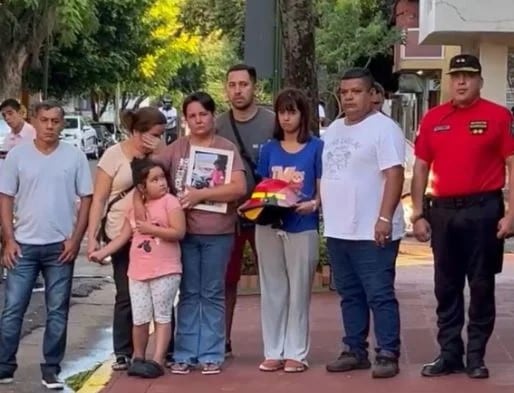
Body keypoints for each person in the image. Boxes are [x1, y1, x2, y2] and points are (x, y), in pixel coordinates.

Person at [411, 54, 514, 379]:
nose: (461, 81)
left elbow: (512, 164)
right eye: (456, 75)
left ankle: (476, 356)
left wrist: (512, 214)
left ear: (479, 81)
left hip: (483, 210)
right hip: (442, 212)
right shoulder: (433, 118)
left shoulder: (498, 116)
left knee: (481, 285)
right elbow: (420, 167)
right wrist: (417, 213)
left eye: (469, 75)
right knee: (446, 285)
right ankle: (449, 353)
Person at [148, 91, 246, 375]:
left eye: (203, 114)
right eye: (192, 115)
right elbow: (150, 171)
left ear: (213, 116)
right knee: (189, 292)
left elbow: (239, 187)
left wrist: (202, 194)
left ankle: (212, 354)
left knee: (213, 292)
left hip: (219, 233)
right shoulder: (176, 148)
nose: (198, 120)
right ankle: (185, 353)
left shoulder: (226, 147)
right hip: (185, 234)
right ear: (185, 119)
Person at [0, 101, 93, 389]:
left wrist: (76, 239)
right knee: (13, 308)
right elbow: (5, 197)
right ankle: (4, 366)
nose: (50, 126)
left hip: (60, 248)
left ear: (62, 124)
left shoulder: (74, 157)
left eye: (55, 121)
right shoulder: (18, 156)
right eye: (44, 120)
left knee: (58, 310)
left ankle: (51, 368)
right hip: (23, 246)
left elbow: (87, 198)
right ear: (35, 122)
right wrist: (8, 240)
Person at [322, 68, 405, 378]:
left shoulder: (385, 129)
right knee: (350, 294)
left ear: (373, 95)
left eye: (356, 92)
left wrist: (384, 218)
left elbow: (394, 174)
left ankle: (387, 352)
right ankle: (355, 349)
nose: (349, 97)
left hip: (373, 230)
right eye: (344, 92)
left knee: (379, 293)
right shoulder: (334, 129)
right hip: (338, 229)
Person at [87, 107, 167, 371]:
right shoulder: (113, 155)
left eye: (162, 135)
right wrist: (92, 238)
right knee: (126, 294)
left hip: (152, 233)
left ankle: (163, 349)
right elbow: (99, 199)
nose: (158, 139)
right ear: (138, 131)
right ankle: (123, 350)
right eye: (155, 134)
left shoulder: (158, 157)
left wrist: (157, 153)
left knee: (160, 294)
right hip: (120, 233)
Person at [90, 158, 185, 378]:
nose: (162, 183)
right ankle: (139, 357)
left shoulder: (170, 202)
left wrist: (152, 228)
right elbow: (122, 238)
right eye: (155, 180)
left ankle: (158, 359)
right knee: (140, 317)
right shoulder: (134, 210)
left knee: (162, 315)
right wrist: (101, 253)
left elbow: (179, 231)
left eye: (163, 178)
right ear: (142, 187)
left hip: (166, 268)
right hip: (138, 271)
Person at [255, 88, 323, 373]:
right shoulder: (269, 148)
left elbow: (322, 190)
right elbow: (261, 188)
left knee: (299, 291)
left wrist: (314, 204)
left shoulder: (316, 147)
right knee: (272, 289)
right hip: (270, 226)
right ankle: (273, 350)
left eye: (292, 111)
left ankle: (296, 352)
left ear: (302, 115)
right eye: (282, 111)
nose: (286, 117)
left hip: (302, 226)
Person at [216, 64, 275, 356]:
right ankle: (222, 342)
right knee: (226, 281)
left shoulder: (273, 122)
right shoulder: (216, 125)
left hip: (266, 214)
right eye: (232, 85)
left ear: (255, 87)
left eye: (243, 84)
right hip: (229, 215)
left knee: (273, 280)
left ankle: (276, 343)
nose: (238, 90)